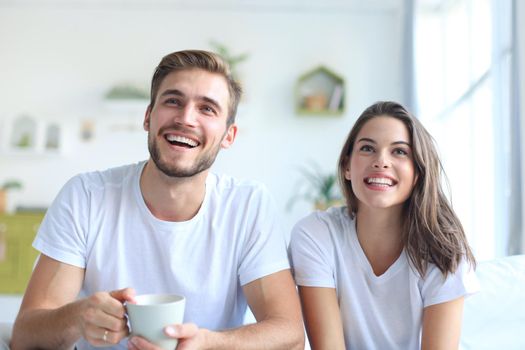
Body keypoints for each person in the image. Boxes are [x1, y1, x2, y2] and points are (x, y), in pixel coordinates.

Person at [11, 50, 304, 350]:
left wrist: (206, 344)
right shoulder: (85, 197)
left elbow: (289, 333)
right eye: (173, 101)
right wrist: (78, 316)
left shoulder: (248, 206)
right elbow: (24, 337)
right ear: (148, 117)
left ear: (229, 135)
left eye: (207, 109)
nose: (185, 118)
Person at [289, 101, 479, 350]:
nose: (381, 161)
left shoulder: (443, 250)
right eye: (367, 148)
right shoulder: (315, 235)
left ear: (417, 172)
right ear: (347, 166)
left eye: (399, 151)